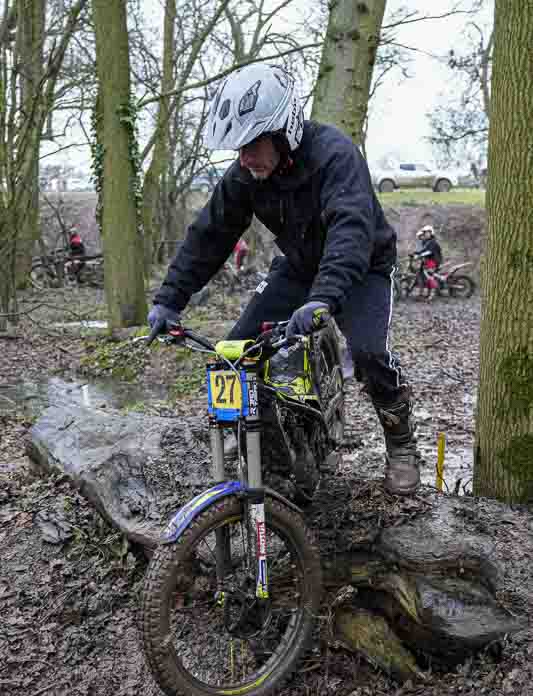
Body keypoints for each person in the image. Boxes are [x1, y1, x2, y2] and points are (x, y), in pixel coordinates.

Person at [148, 63, 420, 495]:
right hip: (298, 267)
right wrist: (170, 299)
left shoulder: (334, 155)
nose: (243, 158)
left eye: (251, 145)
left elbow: (350, 230)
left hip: (363, 267)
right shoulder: (246, 175)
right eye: (236, 149)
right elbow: (210, 235)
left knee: (367, 353)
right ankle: (264, 447)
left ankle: (401, 442)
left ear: (282, 131)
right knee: (233, 357)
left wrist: (325, 298)